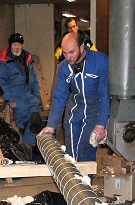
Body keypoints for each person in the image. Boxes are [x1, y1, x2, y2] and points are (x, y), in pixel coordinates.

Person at [40, 32, 110, 162]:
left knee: (85, 149)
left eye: (71, 52)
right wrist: (51, 125)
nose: (68, 57)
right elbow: (59, 97)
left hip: (94, 112)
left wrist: (101, 124)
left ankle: (85, 181)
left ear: (82, 47)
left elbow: (104, 94)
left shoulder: (100, 61)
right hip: (74, 111)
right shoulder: (63, 68)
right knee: (71, 152)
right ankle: (73, 180)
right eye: (65, 53)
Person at [0, 33, 41, 144]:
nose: (17, 47)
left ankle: (31, 149)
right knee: (24, 126)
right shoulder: (4, 61)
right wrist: (10, 100)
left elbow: (34, 78)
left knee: (36, 123)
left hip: (31, 97)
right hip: (18, 99)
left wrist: (37, 95)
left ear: (22, 46)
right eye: (14, 45)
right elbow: (0, 82)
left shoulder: (27, 58)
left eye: (19, 44)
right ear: (10, 46)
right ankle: (27, 151)